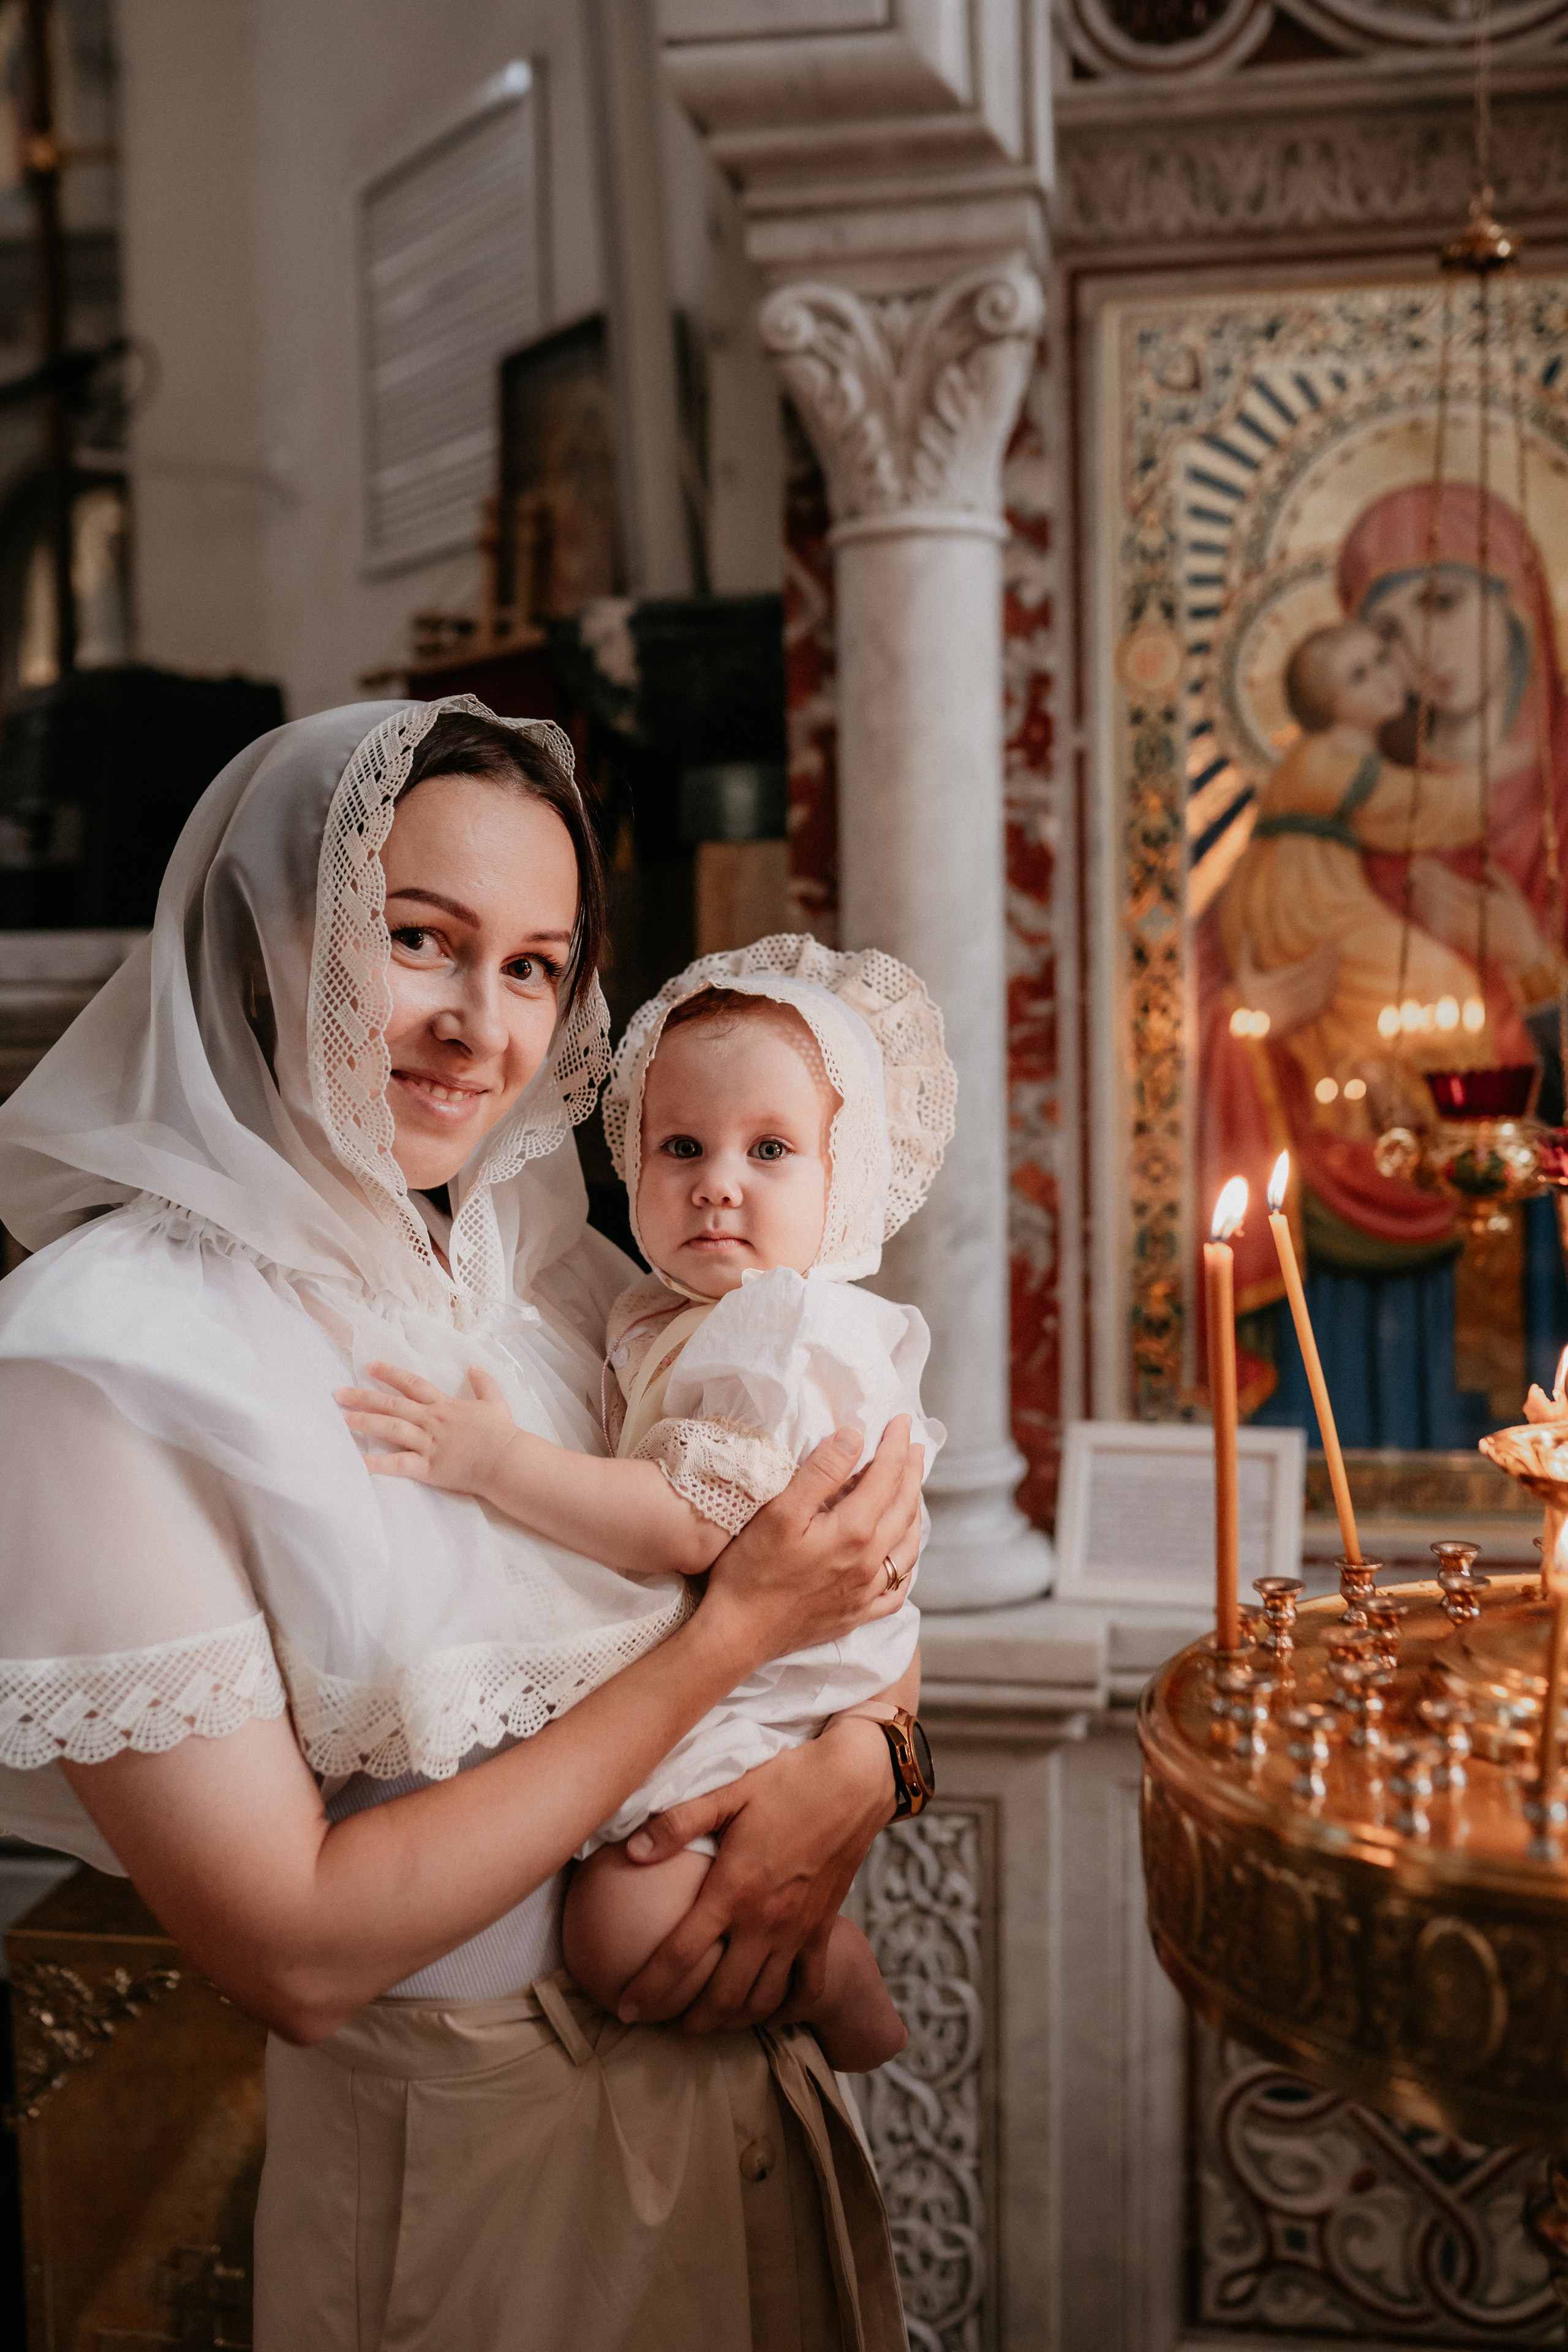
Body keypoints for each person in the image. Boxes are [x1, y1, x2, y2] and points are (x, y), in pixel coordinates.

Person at [0, 696, 925, 2351]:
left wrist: (862, 1767)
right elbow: (297, 1950)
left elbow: (843, 1567)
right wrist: (738, 1637)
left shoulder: (565, 1275)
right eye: (421, 941)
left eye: (532, 967)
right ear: (278, 931)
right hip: (475, 2149)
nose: (476, 1028)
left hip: (749, 2073)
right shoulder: (100, 1357)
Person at [337, 939, 955, 2073]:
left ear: (843, 1179)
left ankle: (837, 1976)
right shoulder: (663, 1308)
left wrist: (495, 1462)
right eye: (682, 1147)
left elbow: (692, 1522)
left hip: (778, 1688)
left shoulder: (780, 1331)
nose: (717, 1180)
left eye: (770, 1150)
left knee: (620, 1934)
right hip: (751, 1673)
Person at [1219, 618, 1487, 1131]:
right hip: (1303, 910)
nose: (1384, 678)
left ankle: (1390, 1103)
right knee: (1447, 984)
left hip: (1318, 901)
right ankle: (1443, 1130)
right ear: (1328, 702)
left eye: (1383, 660)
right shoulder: (1329, 757)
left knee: (1387, 1013)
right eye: (1358, 676)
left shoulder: (1342, 755)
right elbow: (1415, 811)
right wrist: (1498, 788)